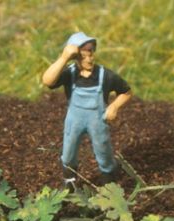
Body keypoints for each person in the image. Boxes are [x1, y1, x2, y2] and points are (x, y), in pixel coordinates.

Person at [42, 32, 132, 188]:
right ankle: (70, 184)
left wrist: (114, 106)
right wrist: (63, 58)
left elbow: (126, 92)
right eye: (83, 54)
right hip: (74, 121)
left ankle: (109, 184)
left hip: (97, 120)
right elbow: (47, 81)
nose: (89, 57)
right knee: (68, 153)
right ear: (74, 57)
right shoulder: (69, 74)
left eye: (91, 52)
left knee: (103, 150)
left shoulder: (105, 76)